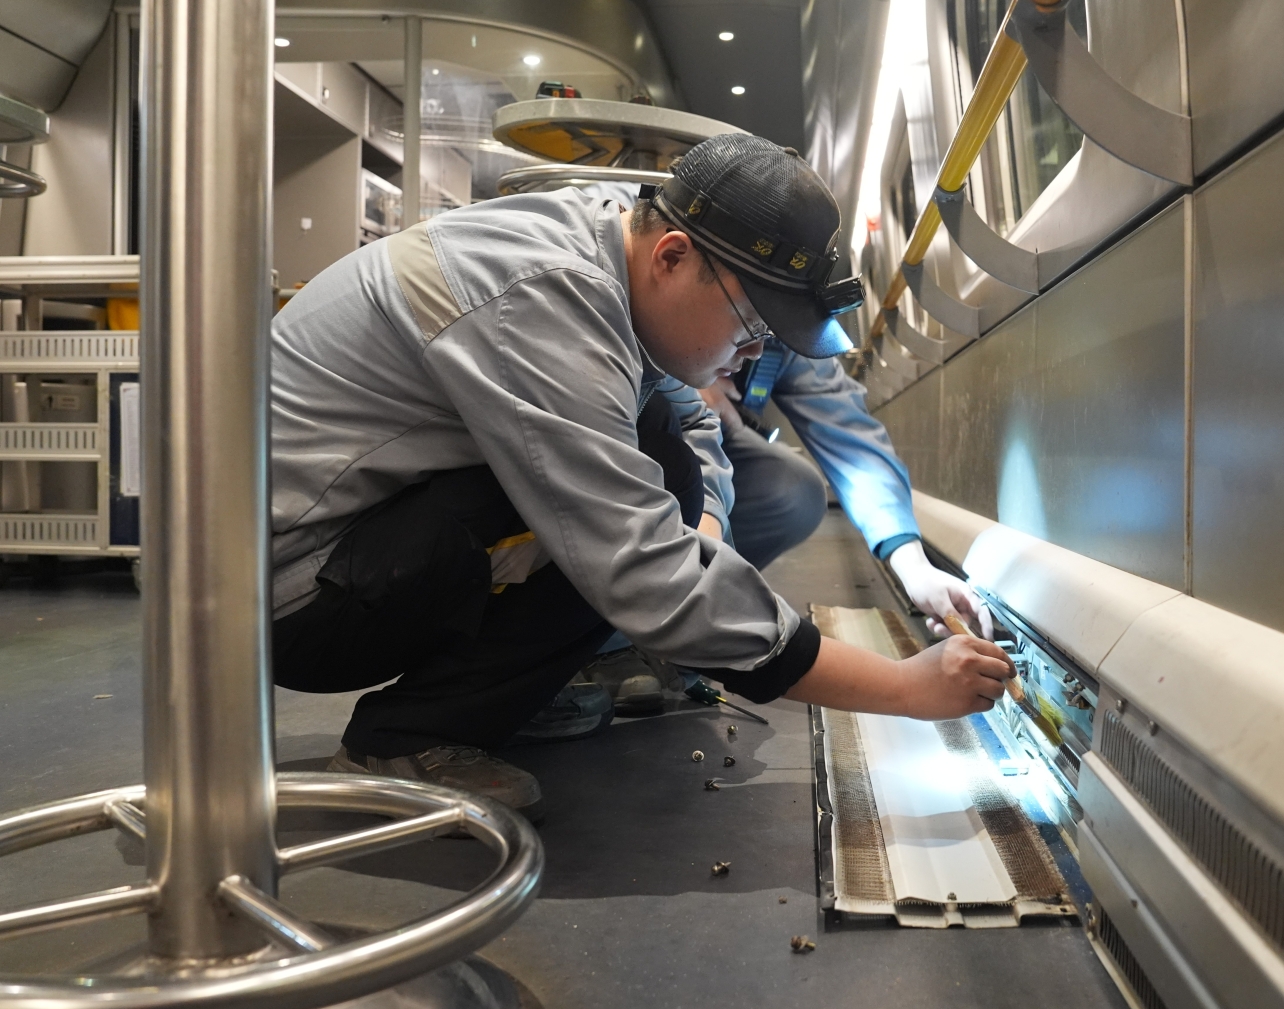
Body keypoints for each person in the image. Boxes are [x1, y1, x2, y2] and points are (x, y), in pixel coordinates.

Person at [267, 133, 1010, 822]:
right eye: (751, 326)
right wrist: (904, 688)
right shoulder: (546, 297)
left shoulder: (607, 256)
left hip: (366, 551)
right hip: (296, 593)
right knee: (617, 520)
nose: (755, 354)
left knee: (661, 456)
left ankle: (530, 682)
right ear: (673, 257)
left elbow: (692, 430)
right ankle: (404, 740)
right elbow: (642, 564)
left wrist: (704, 538)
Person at [690, 345, 992, 640]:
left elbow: (850, 438)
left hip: (718, 440)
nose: (756, 349)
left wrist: (914, 567)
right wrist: (687, 386)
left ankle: (706, 599)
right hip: (665, 445)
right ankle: (690, 600)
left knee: (796, 487)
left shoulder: (786, 339)